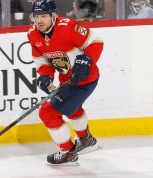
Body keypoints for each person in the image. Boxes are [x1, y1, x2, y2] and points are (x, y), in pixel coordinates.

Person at [27, 0, 104, 165]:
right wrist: (44, 76)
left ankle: (68, 152)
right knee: (71, 107)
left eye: (44, 16)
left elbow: (96, 42)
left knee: (47, 113)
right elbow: (42, 61)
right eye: (36, 16)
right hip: (66, 81)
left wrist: (86, 60)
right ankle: (87, 140)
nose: (39, 20)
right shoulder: (33, 34)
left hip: (84, 79)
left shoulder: (68, 26)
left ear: (53, 16)